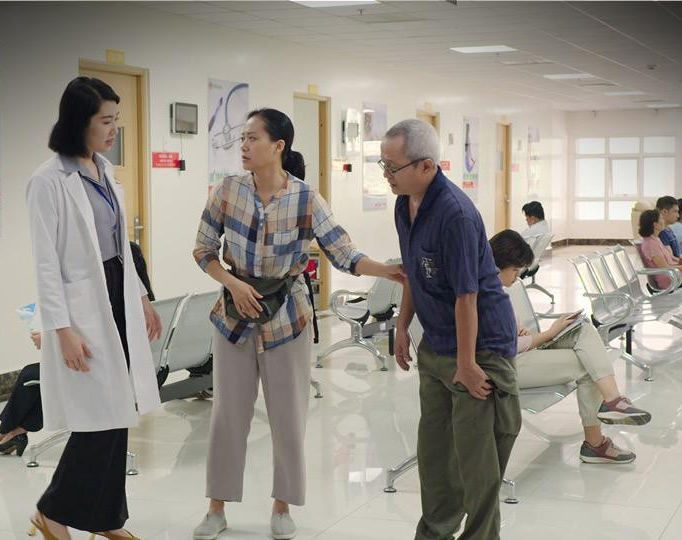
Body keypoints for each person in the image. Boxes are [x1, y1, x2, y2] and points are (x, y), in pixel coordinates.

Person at [191, 108, 404, 540]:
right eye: (242, 138)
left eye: (252, 138)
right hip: (234, 318)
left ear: (278, 146)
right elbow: (203, 249)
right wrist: (233, 283)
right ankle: (216, 507)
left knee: (288, 417)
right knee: (228, 416)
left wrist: (388, 271)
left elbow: (343, 252)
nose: (244, 146)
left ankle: (282, 505)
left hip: (288, 317)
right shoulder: (228, 191)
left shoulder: (307, 199)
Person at [26, 77, 164, 540]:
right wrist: (61, 329)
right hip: (83, 307)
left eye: (116, 120)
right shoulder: (48, 181)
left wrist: (141, 297)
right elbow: (46, 264)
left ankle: (106, 518)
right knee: (98, 418)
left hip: (117, 293)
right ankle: (51, 511)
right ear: (78, 121)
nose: (113, 130)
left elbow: (122, 245)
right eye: (105, 121)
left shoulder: (105, 170)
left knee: (119, 411)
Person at [386, 119, 518, 540]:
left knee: (477, 464)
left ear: (426, 166)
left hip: (480, 348)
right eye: (383, 165)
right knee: (436, 457)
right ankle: (435, 533)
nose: (386, 175)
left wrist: (467, 364)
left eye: (392, 167)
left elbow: (467, 296)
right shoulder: (404, 205)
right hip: (438, 343)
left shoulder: (455, 214)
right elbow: (412, 272)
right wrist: (402, 326)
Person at [0, 243, 156, 458]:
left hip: (101, 362)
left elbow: (101, 331)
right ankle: (14, 431)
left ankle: (5, 430)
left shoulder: (95, 266)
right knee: (43, 374)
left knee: (32, 375)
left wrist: (51, 342)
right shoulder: (130, 259)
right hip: (124, 359)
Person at [490, 230, 652, 464]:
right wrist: (550, 333)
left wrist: (518, 328)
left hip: (521, 352)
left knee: (583, 329)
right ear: (497, 265)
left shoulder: (496, 289)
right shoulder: (486, 294)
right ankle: (595, 443)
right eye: (515, 271)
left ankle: (613, 400)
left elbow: (505, 332)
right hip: (507, 365)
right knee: (588, 365)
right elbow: (506, 347)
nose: (517, 277)